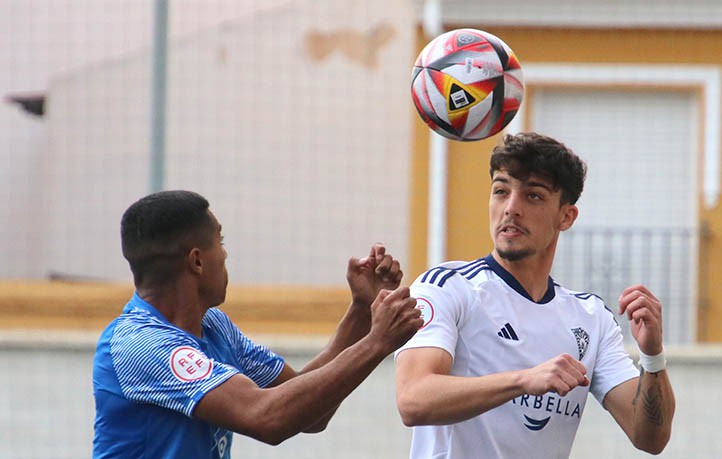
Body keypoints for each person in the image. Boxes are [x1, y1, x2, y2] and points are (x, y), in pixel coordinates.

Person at [394, 132, 675, 458]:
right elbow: (413, 399)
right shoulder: (447, 287)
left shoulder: (591, 318)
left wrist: (653, 356)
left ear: (566, 217)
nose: (511, 208)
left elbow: (651, 438)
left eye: (533, 196)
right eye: (501, 191)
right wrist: (524, 380)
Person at [93, 190, 423, 458]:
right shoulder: (139, 345)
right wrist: (377, 342)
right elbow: (268, 417)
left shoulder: (214, 326)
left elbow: (306, 411)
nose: (225, 255)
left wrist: (362, 312)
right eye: (220, 242)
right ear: (196, 260)